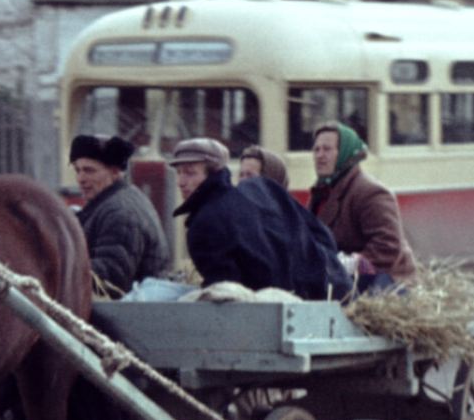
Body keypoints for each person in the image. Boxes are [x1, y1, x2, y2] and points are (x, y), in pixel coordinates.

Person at [168, 137, 352, 301]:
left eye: (190, 173)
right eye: (179, 173)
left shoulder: (203, 225)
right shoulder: (263, 187)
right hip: (337, 295)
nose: (180, 182)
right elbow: (323, 235)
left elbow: (225, 294)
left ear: (215, 170)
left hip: (289, 314)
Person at [307, 123, 417, 285]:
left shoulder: (371, 192)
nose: (320, 155)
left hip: (385, 280)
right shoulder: (320, 194)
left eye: (327, 149)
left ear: (345, 153)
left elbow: (388, 247)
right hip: (343, 278)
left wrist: (349, 264)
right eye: (316, 150)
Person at [70, 133, 172, 294]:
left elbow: (112, 279)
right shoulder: (110, 203)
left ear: (115, 172)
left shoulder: (121, 212)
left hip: (130, 314)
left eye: (89, 171)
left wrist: (59, 266)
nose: (81, 178)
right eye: (78, 170)